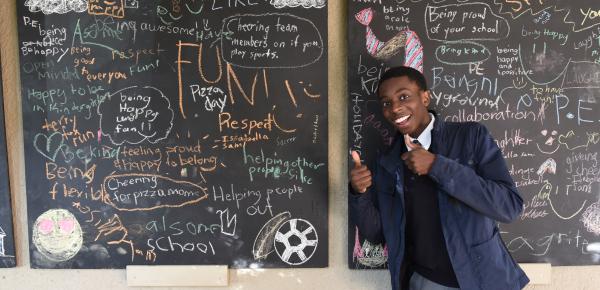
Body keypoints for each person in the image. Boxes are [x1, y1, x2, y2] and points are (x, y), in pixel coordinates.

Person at [349, 66, 529, 290]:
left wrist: (438, 166)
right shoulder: (388, 163)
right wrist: (359, 193)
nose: (395, 108)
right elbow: (377, 234)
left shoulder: (470, 137)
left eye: (404, 96)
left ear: (425, 97)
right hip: (426, 282)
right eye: (386, 103)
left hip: (483, 279)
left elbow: (509, 206)